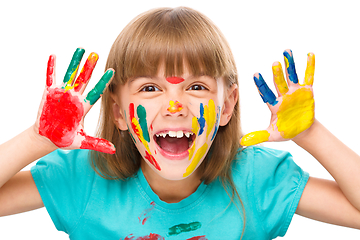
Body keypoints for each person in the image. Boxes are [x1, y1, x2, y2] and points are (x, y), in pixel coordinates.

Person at [0, 6, 359, 240]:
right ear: (119, 112)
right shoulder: (85, 180)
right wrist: (39, 138)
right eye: (150, 87)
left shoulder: (257, 181)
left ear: (227, 105)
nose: (175, 105)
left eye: (197, 86)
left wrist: (311, 133)